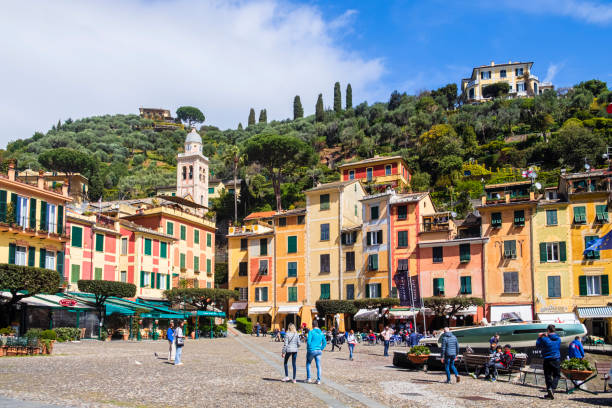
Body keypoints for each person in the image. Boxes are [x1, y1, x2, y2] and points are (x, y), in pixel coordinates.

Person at [536, 324, 562, 400]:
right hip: (556, 359)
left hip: (547, 360)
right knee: (557, 375)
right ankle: (552, 389)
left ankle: (549, 391)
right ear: (554, 330)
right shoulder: (559, 339)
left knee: (548, 376)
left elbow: (538, 345)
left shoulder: (545, 339)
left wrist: (540, 337)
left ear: (548, 330)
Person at [306, 320, 327, 384]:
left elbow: (309, 341)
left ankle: (309, 378)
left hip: (312, 350)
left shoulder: (311, 332)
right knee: (318, 365)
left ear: (312, 325)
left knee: (308, 363)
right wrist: (321, 348)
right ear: (317, 325)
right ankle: (318, 380)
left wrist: (308, 348)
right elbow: (325, 342)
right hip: (319, 351)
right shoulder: (321, 333)